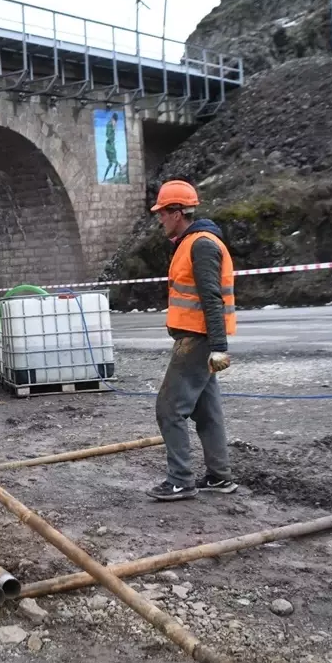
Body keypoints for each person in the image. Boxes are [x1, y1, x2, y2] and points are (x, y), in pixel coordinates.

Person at [147, 180, 237, 501]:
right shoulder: (191, 243)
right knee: (207, 411)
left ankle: (180, 480)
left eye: (163, 213)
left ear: (177, 212)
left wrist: (219, 347)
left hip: (197, 341)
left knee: (169, 409)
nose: (160, 219)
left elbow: (212, 299)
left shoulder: (201, 245)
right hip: (196, 338)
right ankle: (218, 476)